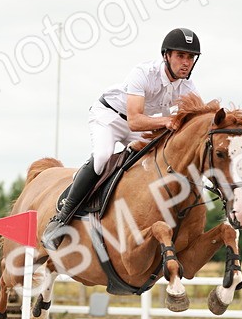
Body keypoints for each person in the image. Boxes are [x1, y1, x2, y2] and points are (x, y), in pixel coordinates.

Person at [42, 27, 202, 251]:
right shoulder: (144, 73)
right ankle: (60, 219)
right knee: (102, 156)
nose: (186, 62)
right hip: (110, 116)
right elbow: (135, 121)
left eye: (190, 57)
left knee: (155, 164)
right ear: (166, 55)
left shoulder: (188, 87)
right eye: (180, 56)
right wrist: (166, 122)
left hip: (142, 123)